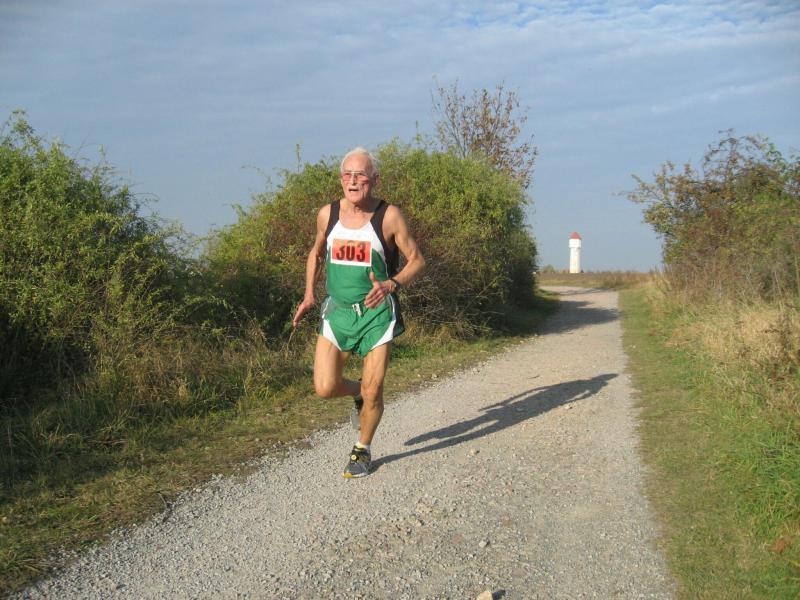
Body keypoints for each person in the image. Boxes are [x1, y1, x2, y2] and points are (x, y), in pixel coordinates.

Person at [292, 147, 425, 478]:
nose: (353, 181)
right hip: (337, 312)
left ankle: (362, 449)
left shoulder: (388, 216)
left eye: (360, 175)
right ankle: (357, 393)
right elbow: (315, 253)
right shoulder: (328, 214)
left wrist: (392, 284)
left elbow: (417, 260)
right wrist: (309, 293)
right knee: (325, 387)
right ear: (341, 179)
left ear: (374, 179)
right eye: (347, 175)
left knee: (374, 388)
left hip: (376, 314)